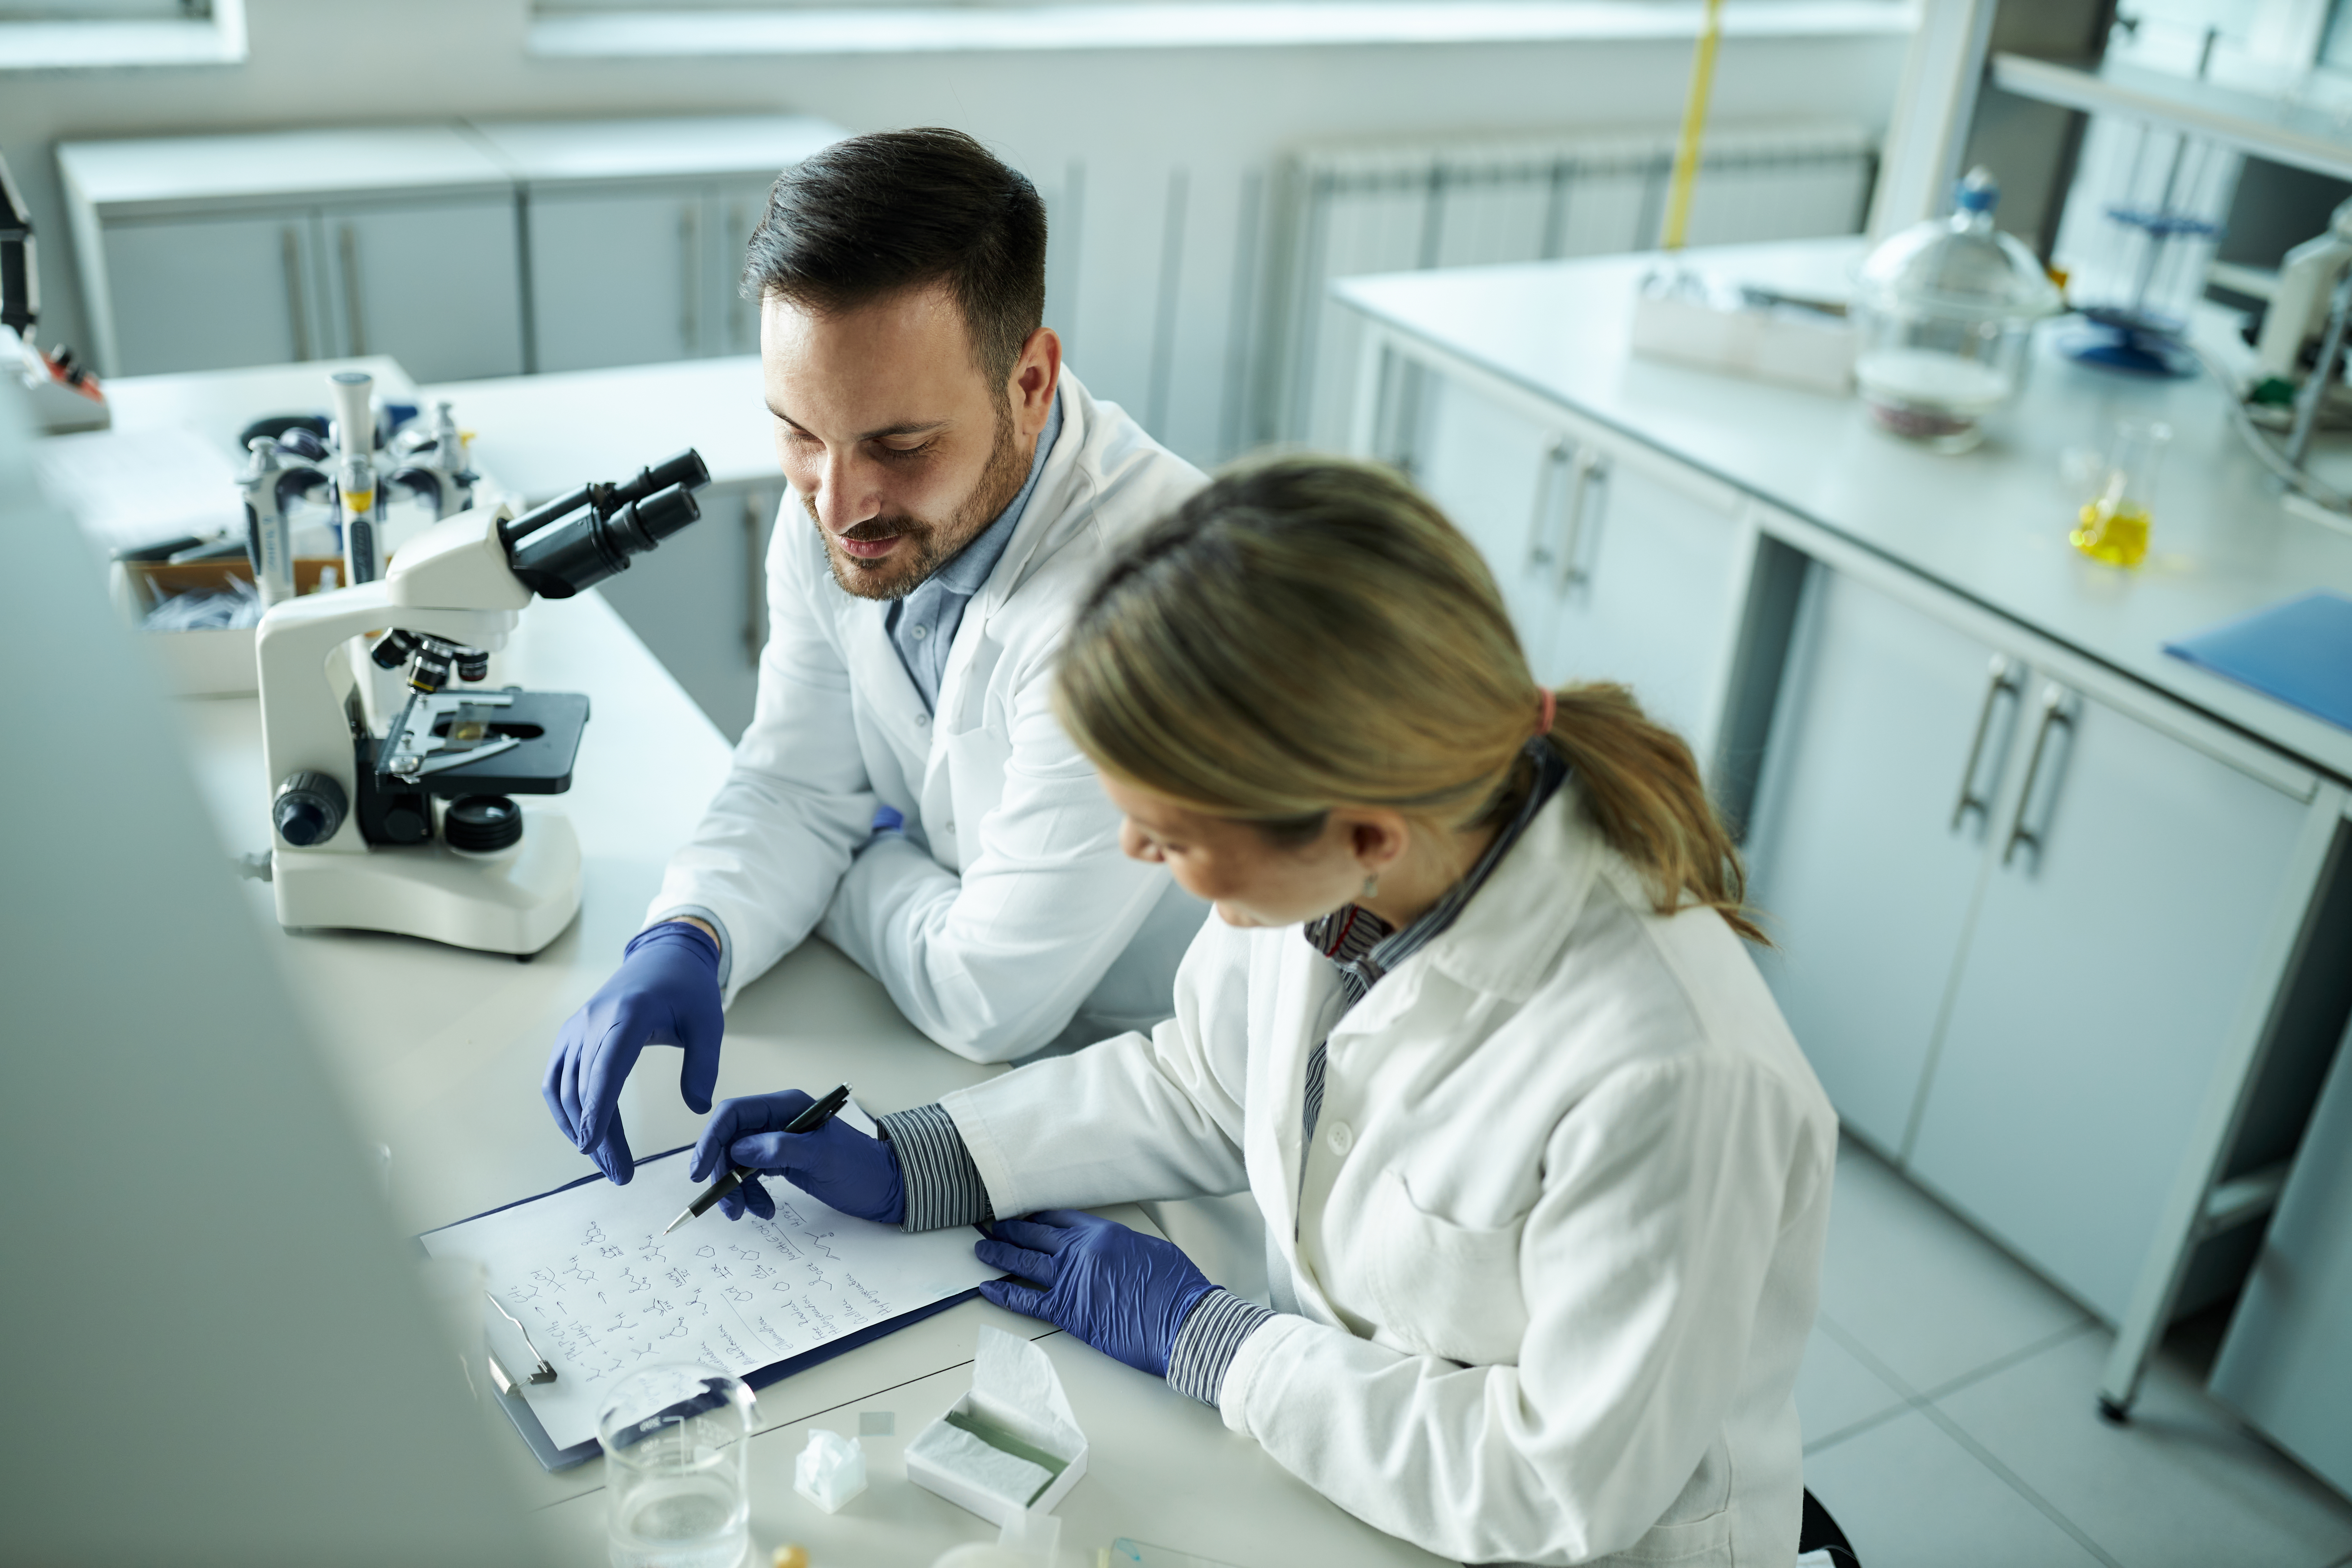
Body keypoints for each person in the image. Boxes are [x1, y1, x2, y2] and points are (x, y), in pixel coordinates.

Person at [691, 456, 1840, 1567]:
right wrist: (917, 1160)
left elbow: (1556, 1484)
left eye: (1175, 839)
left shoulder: (1672, 1075)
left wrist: (1217, 1345)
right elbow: (1206, 1077)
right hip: (1345, 1476)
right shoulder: (1354, 878)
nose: (1138, 853)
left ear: (1366, 834)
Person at [543, 129, 1210, 1183]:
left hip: (1133, 1087)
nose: (838, 503)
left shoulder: (1145, 604)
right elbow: (795, 780)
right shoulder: (843, 506)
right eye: (798, 432)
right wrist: (694, 931)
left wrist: (851, 855)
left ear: (1031, 381)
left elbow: (989, 998)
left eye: (902, 446)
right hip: (931, 1051)